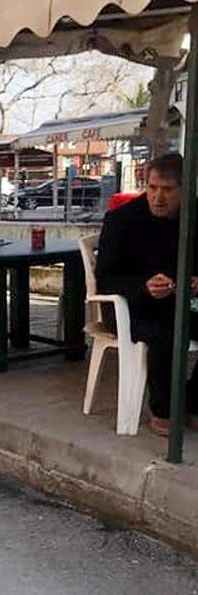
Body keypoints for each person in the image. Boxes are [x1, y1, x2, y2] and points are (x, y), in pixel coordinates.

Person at [96, 152, 198, 437]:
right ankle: (163, 408)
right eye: (153, 188)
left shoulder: (193, 216)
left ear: (184, 189)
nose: (158, 197)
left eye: (168, 190)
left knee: (178, 322)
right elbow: (104, 278)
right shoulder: (121, 220)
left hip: (181, 302)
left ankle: (192, 401)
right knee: (166, 333)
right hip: (129, 307)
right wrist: (143, 285)